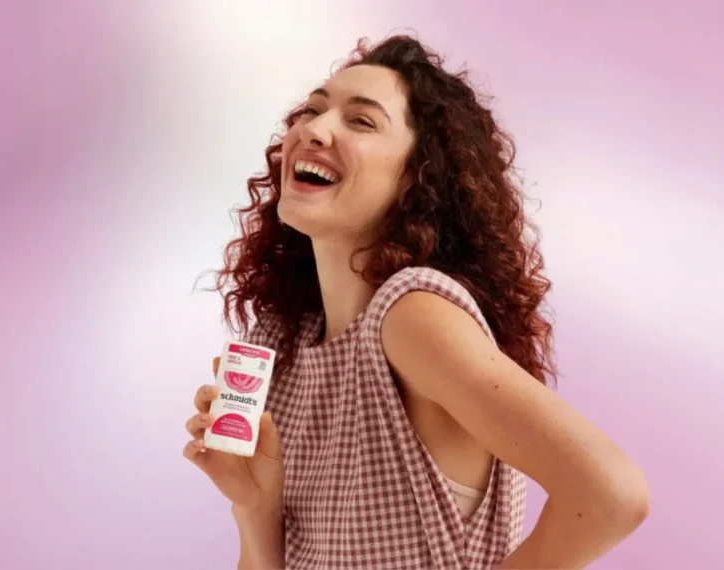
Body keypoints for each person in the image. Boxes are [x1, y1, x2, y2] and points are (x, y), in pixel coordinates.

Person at [184, 35, 650, 569]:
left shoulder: (411, 315)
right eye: (311, 110)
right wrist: (255, 506)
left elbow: (611, 494)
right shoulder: (282, 340)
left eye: (361, 121)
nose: (312, 128)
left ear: (416, 177)